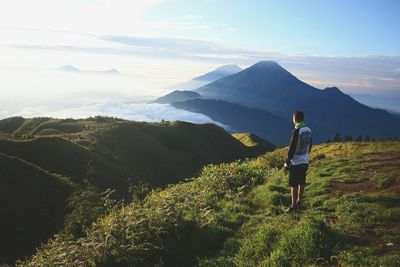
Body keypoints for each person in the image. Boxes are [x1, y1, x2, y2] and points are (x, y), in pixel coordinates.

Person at [284, 111, 312, 212]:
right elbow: (309, 146)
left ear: (295, 119)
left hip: (296, 162)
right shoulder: (308, 130)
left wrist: (287, 162)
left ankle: (293, 205)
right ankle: (299, 203)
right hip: (305, 161)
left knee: (293, 184)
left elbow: (292, 148)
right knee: (301, 182)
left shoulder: (296, 131)